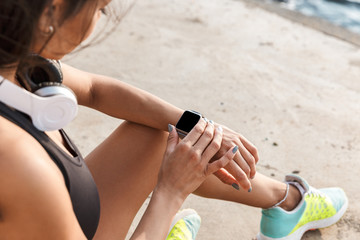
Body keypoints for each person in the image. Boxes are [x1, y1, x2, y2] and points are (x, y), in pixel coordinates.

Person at [0, 0, 348, 240]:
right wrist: (170, 192)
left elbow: (93, 89)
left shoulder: (16, 67)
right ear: (53, 8)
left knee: (160, 135)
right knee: (171, 161)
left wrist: (193, 124)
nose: (99, 20)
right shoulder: (18, 160)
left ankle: (286, 203)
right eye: (100, 8)